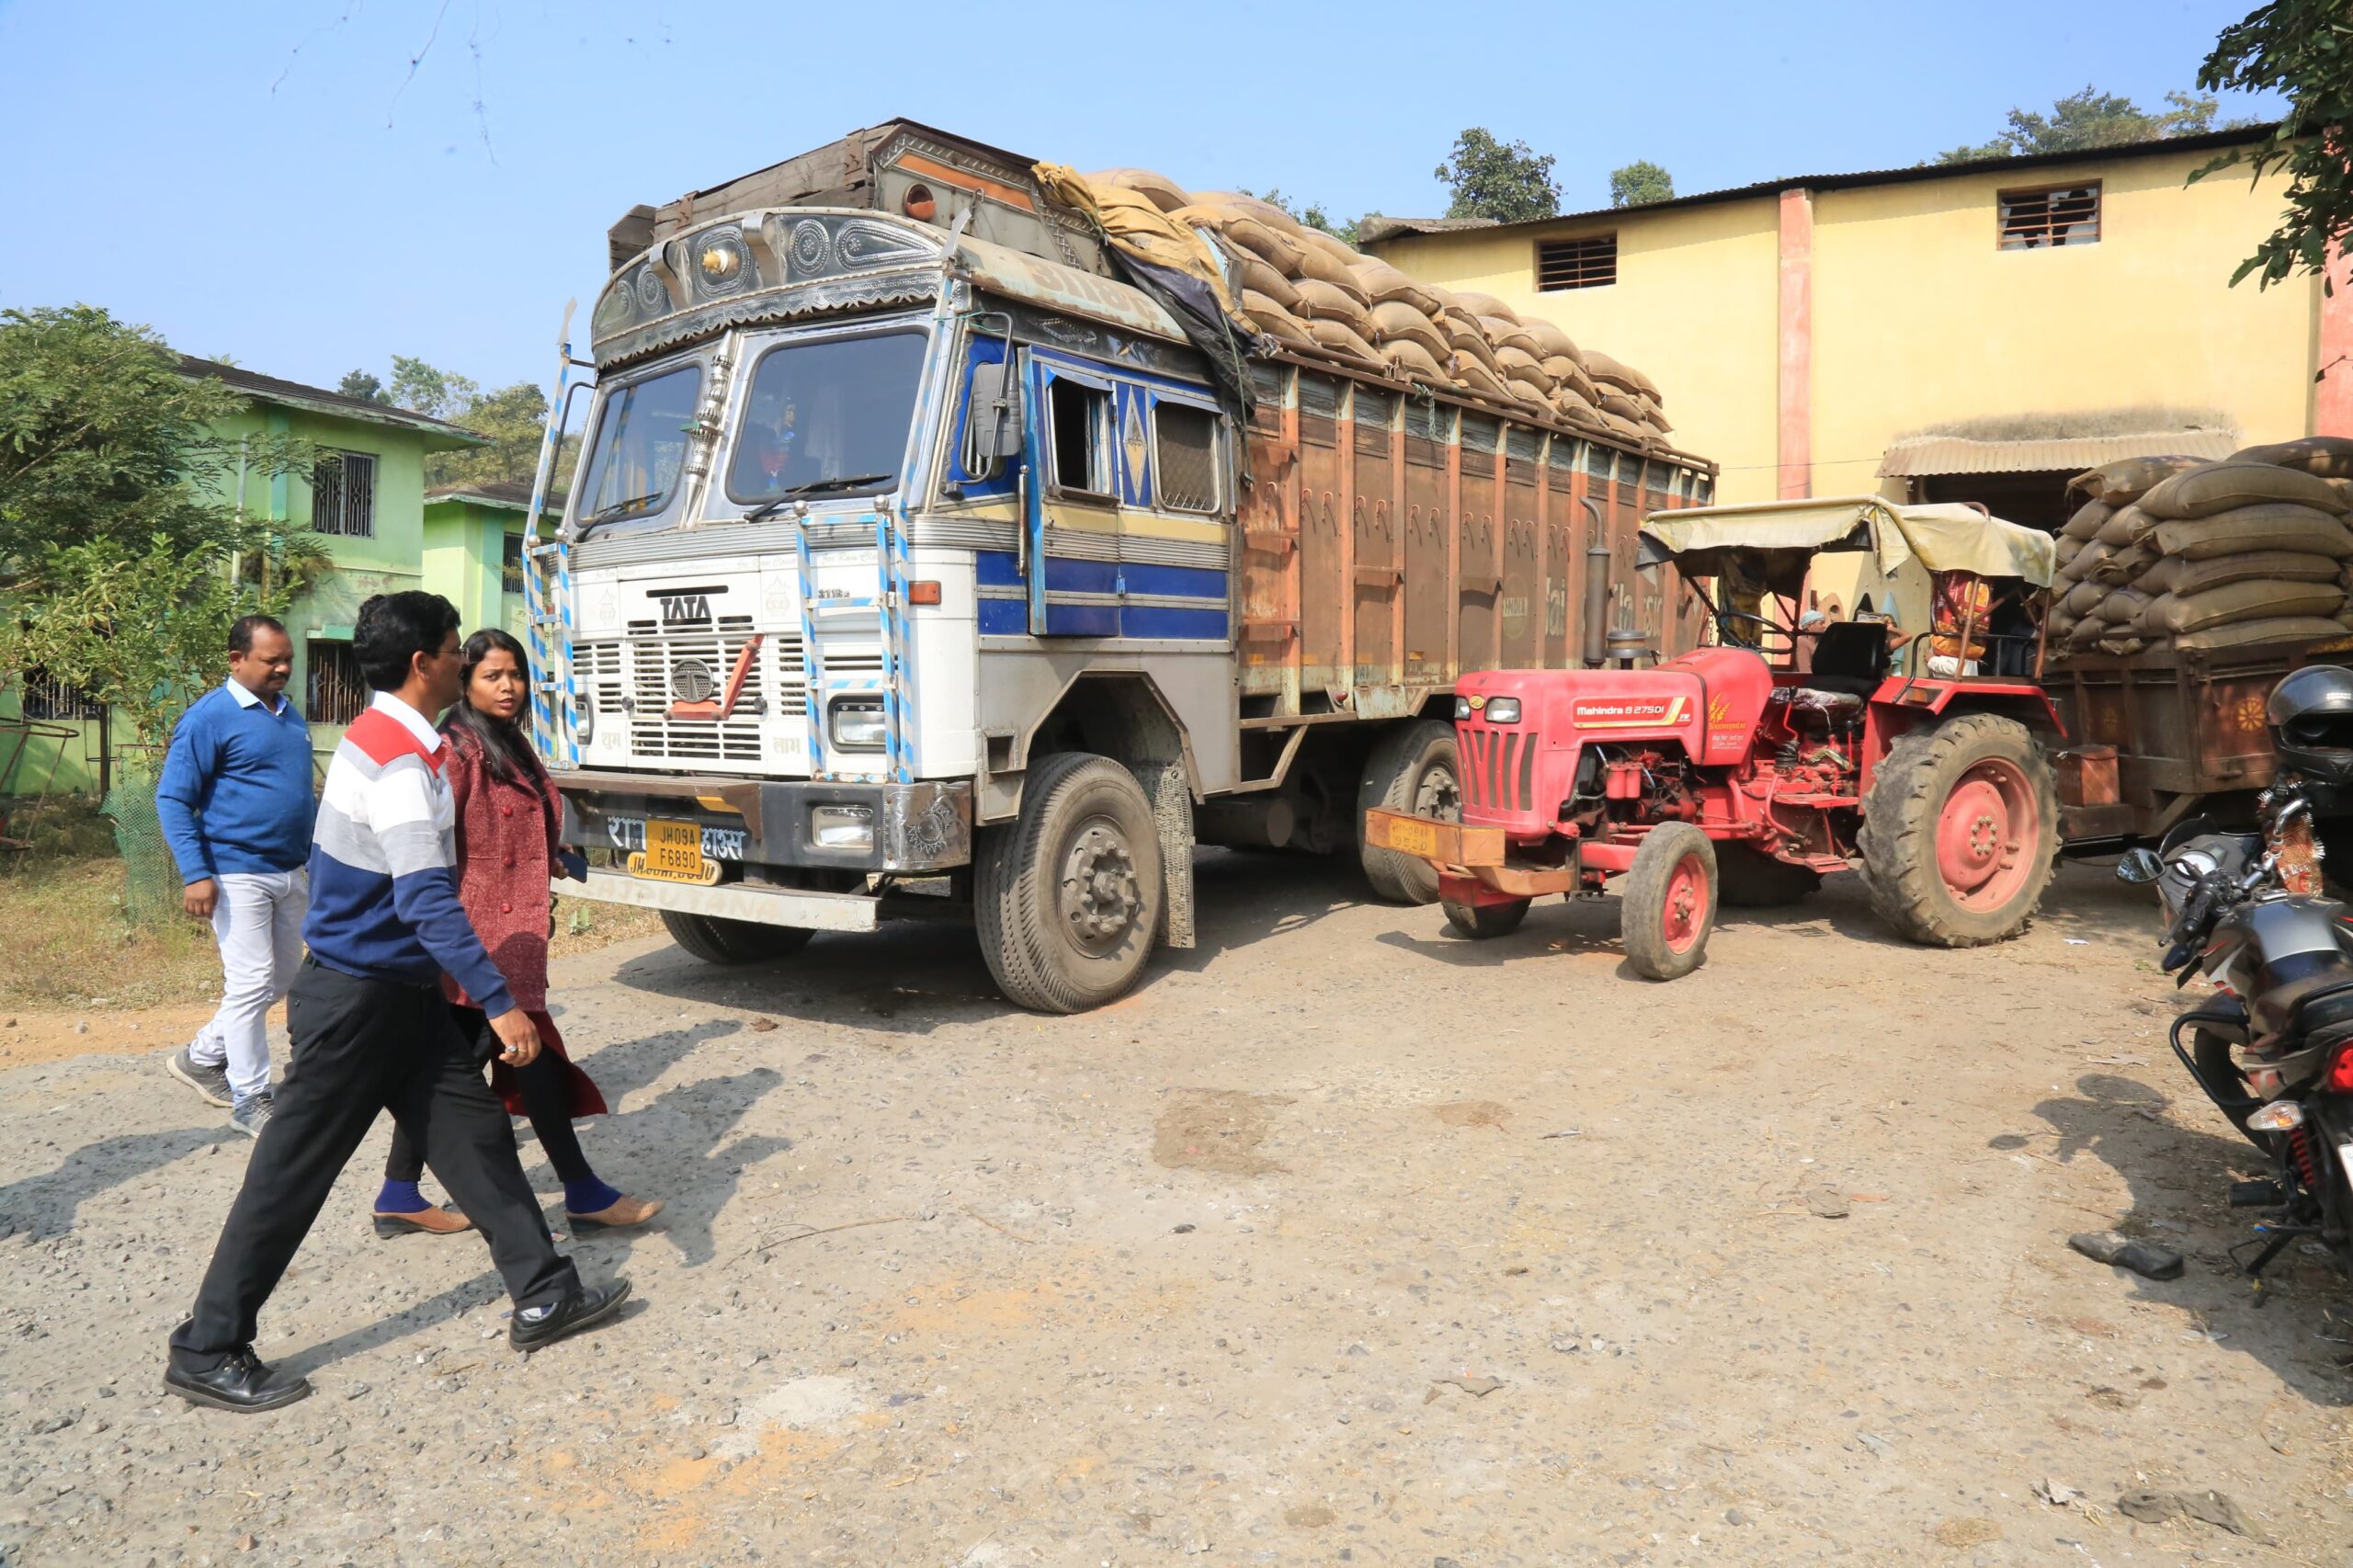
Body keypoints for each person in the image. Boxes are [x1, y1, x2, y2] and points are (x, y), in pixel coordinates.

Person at [165, 592, 630, 1413]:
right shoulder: (402, 764)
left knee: (475, 1137)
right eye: (455, 651)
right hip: (356, 1003)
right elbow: (424, 899)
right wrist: (499, 1000)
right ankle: (207, 1347)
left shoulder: (379, 735)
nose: (463, 662)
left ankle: (543, 1291)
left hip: (401, 994)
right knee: (290, 1173)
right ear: (424, 664)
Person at [370, 628, 664, 1238]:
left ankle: (399, 1192)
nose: (508, 687)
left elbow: (513, 825)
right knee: (526, 1056)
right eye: (492, 676)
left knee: (457, 1067)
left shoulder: (506, 739)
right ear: (465, 681)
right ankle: (579, 1194)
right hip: (477, 936)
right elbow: (429, 842)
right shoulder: (456, 750)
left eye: (516, 675)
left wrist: (547, 855)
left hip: (508, 931)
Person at [157, 615, 315, 1138]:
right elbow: (173, 798)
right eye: (271, 660)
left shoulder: (288, 714)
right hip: (234, 872)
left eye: (287, 659)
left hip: (289, 869)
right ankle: (250, 1097)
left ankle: (202, 1055)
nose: (283, 668)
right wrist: (195, 873)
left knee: (284, 978)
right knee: (249, 983)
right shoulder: (210, 717)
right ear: (236, 659)